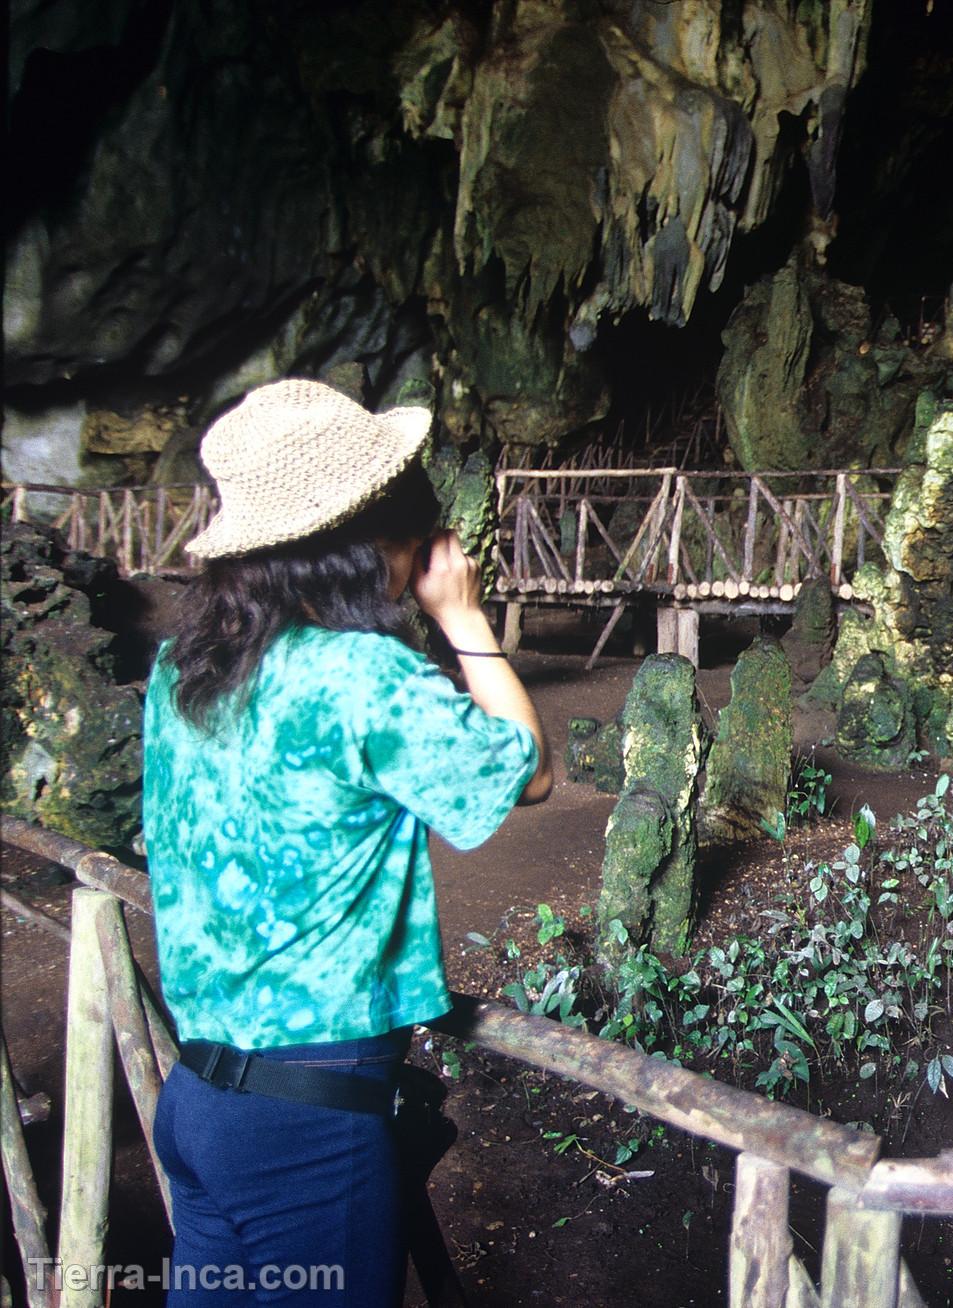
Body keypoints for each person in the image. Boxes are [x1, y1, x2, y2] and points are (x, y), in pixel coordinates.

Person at [143, 378, 551, 1305]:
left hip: (201, 1099)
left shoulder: (183, 668)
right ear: (378, 541)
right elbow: (523, 772)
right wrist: (462, 617)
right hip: (308, 1122)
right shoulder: (360, 675)